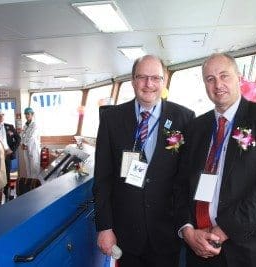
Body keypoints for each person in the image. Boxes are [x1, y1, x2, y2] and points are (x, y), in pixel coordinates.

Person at [175, 53, 256, 267]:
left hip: (252, 249)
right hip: (201, 247)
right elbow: (181, 185)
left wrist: (223, 229)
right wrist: (188, 230)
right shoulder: (196, 127)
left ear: (239, 79)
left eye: (224, 76)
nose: (218, 84)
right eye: (210, 79)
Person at [93, 55, 195, 267]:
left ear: (164, 81)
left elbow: (187, 179)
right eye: (142, 77)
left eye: (155, 78)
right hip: (126, 233)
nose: (149, 84)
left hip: (167, 232)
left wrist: (187, 225)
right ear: (132, 80)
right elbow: (103, 177)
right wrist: (105, 227)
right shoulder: (112, 119)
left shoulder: (184, 118)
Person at [0, 109, 21, 198]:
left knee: (12, 173)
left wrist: (12, 149)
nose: (1, 117)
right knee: (0, 173)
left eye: (2, 115)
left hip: (9, 154)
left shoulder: (10, 127)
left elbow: (18, 139)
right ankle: (1, 191)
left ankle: (12, 191)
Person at [20, 107, 41, 178]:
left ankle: (35, 183)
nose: (27, 116)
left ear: (32, 115)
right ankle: (29, 182)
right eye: (25, 114)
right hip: (26, 149)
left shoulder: (35, 125)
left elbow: (32, 136)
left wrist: (25, 144)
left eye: (28, 114)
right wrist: (22, 144)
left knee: (34, 166)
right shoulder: (25, 126)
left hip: (33, 148)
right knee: (28, 166)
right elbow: (21, 136)